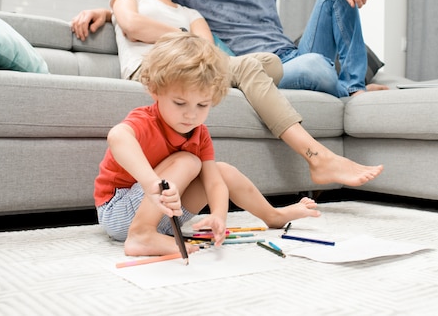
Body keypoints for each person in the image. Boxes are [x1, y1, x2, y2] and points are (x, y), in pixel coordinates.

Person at [72, 0, 383, 187]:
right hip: (161, 67)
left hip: (242, 61)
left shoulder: (191, 10)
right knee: (271, 65)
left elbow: (207, 53)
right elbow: (133, 23)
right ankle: (320, 155)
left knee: (268, 61)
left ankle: (353, 87)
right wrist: (108, 13)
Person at [95, 32, 321, 257]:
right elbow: (118, 136)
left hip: (166, 215)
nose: (191, 115)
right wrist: (152, 183)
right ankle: (141, 234)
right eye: (180, 103)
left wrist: (218, 217)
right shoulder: (146, 119)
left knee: (223, 171)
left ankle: (273, 216)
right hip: (119, 212)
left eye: (202, 105)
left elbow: (215, 184)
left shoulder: (199, 133)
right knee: (189, 161)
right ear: (155, 90)